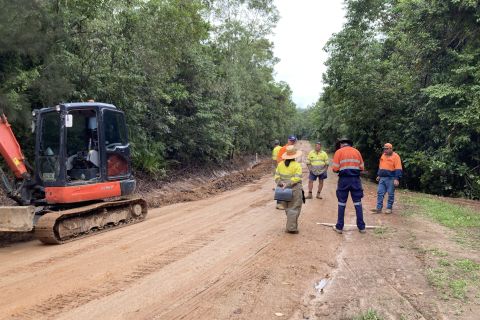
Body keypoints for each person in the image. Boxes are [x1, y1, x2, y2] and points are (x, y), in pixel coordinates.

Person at [331, 138, 366, 234]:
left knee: (342, 203)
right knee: (358, 203)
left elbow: (334, 169)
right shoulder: (357, 152)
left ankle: (339, 227)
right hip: (355, 180)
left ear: (342, 144)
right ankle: (362, 227)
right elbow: (362, 168)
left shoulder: (339, 152)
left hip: (344, 180)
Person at [275, 145, 303, 234]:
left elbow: (276, 177)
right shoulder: (297, 165)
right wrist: (288, 184)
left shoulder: (280, 165)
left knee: (287, 208)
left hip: (282, 190)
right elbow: (297, 178)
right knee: (294, 208)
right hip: (294, 189)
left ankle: (290, 225)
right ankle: (291, 228)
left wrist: (281, 183)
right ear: (294, 156)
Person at [371, 143, 402, 214]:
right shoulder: (383, 155)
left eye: (387, 149)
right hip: (382, 178)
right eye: (384, 149)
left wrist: (396, 179)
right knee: (380, 192)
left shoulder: (396, 156)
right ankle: (378, 208)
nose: (385, 150)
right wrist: (379, 175)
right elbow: (381, 166)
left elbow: (398, 168)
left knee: (390, 193)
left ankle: (389, 208)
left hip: (391, 178)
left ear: (391, 149)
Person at [275, 135, 297, 210]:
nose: (292, 142)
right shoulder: (283, 148)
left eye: (293, 141)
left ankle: (286, 201)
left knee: (289, 184)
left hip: (290, 169)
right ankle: (279, 203)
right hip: (283, 168)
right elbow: (278, 159)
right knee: (281, 183)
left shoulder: (293, 148)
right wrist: (284, 165)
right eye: (291, 141)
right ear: (288, 140)